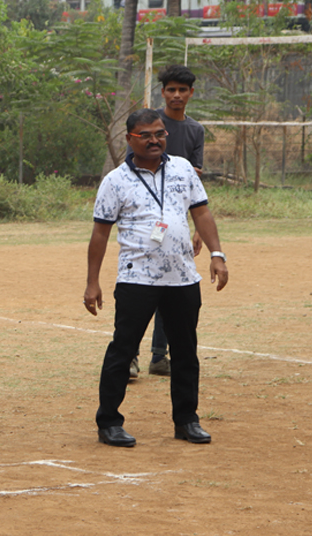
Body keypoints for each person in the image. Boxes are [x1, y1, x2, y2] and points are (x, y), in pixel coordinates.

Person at [84, 108, 228, 448]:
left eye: (160, 133)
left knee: (185, 351)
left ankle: (187, 420)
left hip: (182, 278)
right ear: (129, 139)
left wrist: (217, 254)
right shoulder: (115, 181)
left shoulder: (182, 169)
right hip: (137, 279)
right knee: (123, 350)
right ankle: (109, 422)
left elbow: (202, 213)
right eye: (146, 135)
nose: (154, 140)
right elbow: (100, 235)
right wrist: (92, 282)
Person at [131, 64, 206, 380]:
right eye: (171, 89)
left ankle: (160, 357)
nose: (177, 95)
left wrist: (197, 227)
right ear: (162, 92)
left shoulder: (195, 131)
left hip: (175, 225)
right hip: (144, 223)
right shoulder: (149, 123)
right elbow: (132, 172)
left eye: (182, 90)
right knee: (140, 291)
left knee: (173, 286)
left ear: (190, 93)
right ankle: (130, 356)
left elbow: (194, 186)